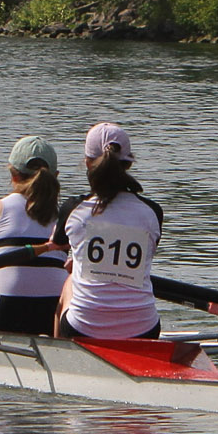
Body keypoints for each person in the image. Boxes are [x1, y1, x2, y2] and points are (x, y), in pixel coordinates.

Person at [52, 123, 163, 341]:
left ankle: (58, 355)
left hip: (82, 327)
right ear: (129, 164)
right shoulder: (153, 212)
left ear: (87, 163)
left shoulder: (74, 209)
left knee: (69, 281)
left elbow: (58, 243)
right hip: (145, 328)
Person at [0, 135, 68, 334]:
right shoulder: (68, 217)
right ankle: (59, 344)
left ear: (13, 175)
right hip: (50, 315)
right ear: (56, 175)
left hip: (3, 316)